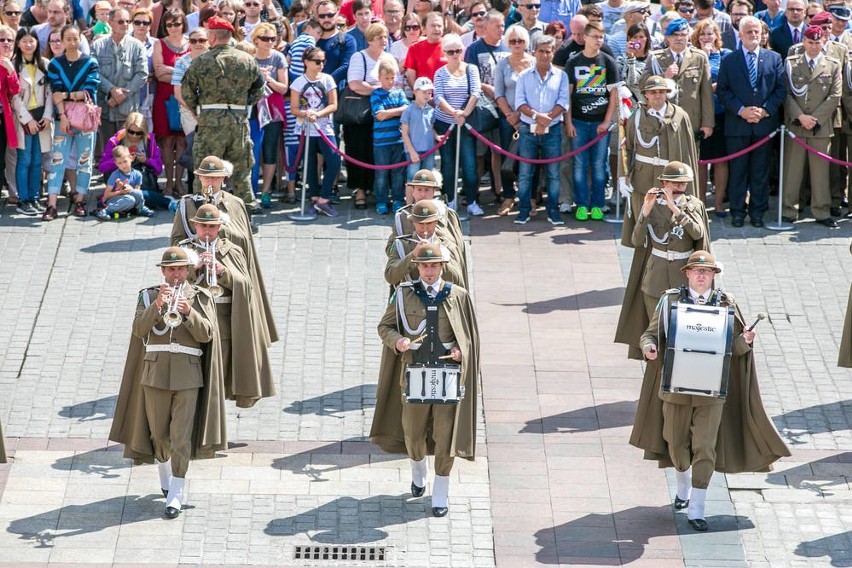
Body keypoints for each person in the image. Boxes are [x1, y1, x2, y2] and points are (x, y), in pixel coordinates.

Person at [629, 250, 790, 532]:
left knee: (705, 448)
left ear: (714, 276)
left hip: (712, 393)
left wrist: (746, 341)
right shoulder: (670, 301)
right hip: (676, 390)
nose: (702, 275)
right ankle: (683, 485)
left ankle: (697, 508)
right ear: (687, 274)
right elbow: (649, 335)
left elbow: (735, 349)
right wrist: (649, 348)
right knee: (676, 445)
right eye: (696, 271)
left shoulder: (726, 303)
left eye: (708, 272)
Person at [108, 246, 226, 520]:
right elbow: (139, 330)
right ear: (163, 271)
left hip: (188, 374)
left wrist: (188, 313)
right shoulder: (148, 296)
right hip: (155, 373)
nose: (176, 274)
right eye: (170, 269)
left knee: (180, 437)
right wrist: (158, 305)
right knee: (159, 435)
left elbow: (207, 335)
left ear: (188, 271)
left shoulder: (200, 296)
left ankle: (177, 491)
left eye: (180, 269)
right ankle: (165, 475)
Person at [371, 243, 480, 518]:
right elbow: (384, 327)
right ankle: (418, 469)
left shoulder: (458, 296)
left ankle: (441, 490)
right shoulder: (403, 294)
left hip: (447, 378)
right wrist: (399, 342)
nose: (429, 271)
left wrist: (459, 350)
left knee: (445, 436)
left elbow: (469, 337)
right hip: (414, 375)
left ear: (443, 266)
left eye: (434, 265)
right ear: (417, 267)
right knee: (413, 432)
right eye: (424, 266)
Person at [171, 155, 279, 347]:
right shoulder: (187, 205)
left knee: (234, 337)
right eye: (206, 177)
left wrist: (221, 228)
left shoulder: (236, 204)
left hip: (231, 275)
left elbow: (246, 244)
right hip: (199, 278)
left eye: (215, 177)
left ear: (224, 178)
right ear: (199, 178)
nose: (210, 181)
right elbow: (177, 243)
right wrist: (195, 258)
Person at [180, 203, 275, 407]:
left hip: (222, 323)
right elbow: (171, 281)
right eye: (203, 226)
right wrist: (193, 269)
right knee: (191, 375)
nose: (207, 231)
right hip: (192, 318)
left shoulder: (232, 250)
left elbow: (246, 284)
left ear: (219, 228)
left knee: (218, 378)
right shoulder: (183, 250)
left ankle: (215, 426)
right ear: (195, 226)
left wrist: (222, 271)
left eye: (212, 227)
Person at [615, 161, 710, 359]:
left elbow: (698, 233)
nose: (680, 188)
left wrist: (676, 210)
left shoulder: (693, 205)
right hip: (655, 276)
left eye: (684, 184)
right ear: (665, 183)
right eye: (676, 184)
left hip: (682, 277)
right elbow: (637, 239)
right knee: (654, 334)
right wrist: (646, 210)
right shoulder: (652, 205)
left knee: (680, 333)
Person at [181, 16, 265, 210]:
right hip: (238, 122)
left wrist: (199, 112)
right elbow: (259, 89)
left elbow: (187, 91)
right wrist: (243, 105)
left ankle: (205, 212)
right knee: (241, 170)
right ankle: (247, 213)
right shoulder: (247, 60)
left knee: (207, 171)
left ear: (212, 37)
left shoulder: (201, 62)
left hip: (210, 124)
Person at [716, 15, 786, 228]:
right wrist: (741, 110)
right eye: (749, 31)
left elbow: (780, 89)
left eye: (757, 31)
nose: (754, 35)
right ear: (740, 35)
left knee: (760, 172)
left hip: (764, 126)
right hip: (738, 126)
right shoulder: (730, 60)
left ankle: (758, 212)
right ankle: (737, 212)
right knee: (738, 171)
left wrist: (765, 111)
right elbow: (722, 90)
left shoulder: (774, 58)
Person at [619, 76, 698, 249]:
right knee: (643, 227)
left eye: (662, 92)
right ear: (645, 95)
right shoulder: (637, 117)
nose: (658, 96)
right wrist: (622, 176)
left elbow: (687, 154)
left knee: (670, 225)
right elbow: (627, 148)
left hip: (671, 183)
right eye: (653, 92)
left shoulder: (679, 116)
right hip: (643, 182)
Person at [781, 24, 842, 228]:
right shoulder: (791, 63)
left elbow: (835, 96)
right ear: (803, 42)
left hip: (820, 126)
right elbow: (786, 93)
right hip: (796, 124)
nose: (814, 46)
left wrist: (815, 118)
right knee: (792, 170)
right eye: (810, 42)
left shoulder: (832, 64)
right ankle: (789, 209)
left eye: (817, 42)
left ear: (823, 41)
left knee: (820, 172)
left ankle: (821, 210)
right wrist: (800, 116)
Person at [565, 21, 619, 222]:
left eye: (601, 37)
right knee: (579, 165)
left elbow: (614, 95)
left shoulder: (608, 62)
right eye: (595, 36)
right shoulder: (573, 62)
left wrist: (606, 122)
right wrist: (568, 122)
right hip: (578, 121)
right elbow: (568, 96)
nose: (599, 40)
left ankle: (597, 204)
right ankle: (581, 205)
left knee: (598, 164)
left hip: (599, 123)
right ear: (585, 37)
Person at [513, 34, 568, 226]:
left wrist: (548, 119)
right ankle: (524, 210)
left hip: (552, 129)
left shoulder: (562, 75)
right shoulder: (523, 76)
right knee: (525, 172)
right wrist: (538, 117)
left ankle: (553, 210)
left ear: (553, 53)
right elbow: (519, 102)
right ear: (534, 52)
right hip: (528, 128)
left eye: (549, 51)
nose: (545, 55)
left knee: (553, 172)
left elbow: (563, 102)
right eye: (541, 51)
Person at [45, 24, 98, 220]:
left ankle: (80, 199)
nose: (72, 42)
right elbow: (55, 91)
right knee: (58, 159)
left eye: (75, 38)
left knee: (85, 159)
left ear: (80, 40)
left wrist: (66, 96)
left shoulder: (90, 62)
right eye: (67, 38)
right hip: (63, 118)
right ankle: (51, 204)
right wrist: (63, 114)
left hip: (85, 118)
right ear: (62, 40)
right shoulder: (55, 64)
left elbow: (89, 91)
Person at [642, 17, 714, 150]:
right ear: (667, 38)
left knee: (689, 162)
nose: (679, 38)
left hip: (691, 121)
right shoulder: (655, 58)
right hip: (662, 119)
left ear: (689, 37)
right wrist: (664, 77)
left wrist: (707, 123)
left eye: (683, 35)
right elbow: (643, 85)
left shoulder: (699, 57)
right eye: (675, 35)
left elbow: (706, 93)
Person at [434, 32, 481, 219]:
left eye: (458, 51)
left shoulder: (471, 69)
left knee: (469, 164)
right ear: (445, 53)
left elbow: (476, 92)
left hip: (465, 124)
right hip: (445, 124)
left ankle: (471, 201)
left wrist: (464, 113)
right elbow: (438, 97)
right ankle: (450, 200)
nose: (455, 54)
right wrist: (454, 113)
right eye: (451, 51)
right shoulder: (440, 73)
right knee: (448, 164)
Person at [290, 45, 341, 217]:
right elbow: (294, 108)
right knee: (310, 164)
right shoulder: (298, 82)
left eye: (323, 61)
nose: (321, 64)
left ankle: (324, 199)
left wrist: (318, 114)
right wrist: (305, 113)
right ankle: (314, 198)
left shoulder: (328, 79)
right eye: (317, 61)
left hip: (325, 127)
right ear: (306, 62)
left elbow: (334, 104)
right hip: (305, 128)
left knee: (334, 161)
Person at [345, 22, 390, 213]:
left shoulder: (388, 58)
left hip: (383, 113)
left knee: (379, 152)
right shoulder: (359, 57)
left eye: (386, 36)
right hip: (361, 114)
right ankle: (360, 190)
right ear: (370, 39)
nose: (383, 40)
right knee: (358, 150)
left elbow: (394, 82)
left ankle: (378, 190)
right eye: (379, 37)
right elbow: (354, 84)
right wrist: (377, 90)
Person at [92, 8, 149, 147]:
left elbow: (142, 74)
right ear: (110, 22)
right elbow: (93, 73)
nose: (125, 25)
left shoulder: (137, 46)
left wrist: (122, 94)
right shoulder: (97, 46)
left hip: (128, 110)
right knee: (107, 152)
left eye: (128, 21)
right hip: (105, 107)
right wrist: (112, 90)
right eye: (121, 21)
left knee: (128, 152)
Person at [11, 26, 52, 216]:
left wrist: (46, 116)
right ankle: (23, 199)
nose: (28, 44)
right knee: (25, 159)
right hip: (24, 119)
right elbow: (14, 97)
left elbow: (51, 93)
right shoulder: (13, 65)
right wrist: (27, 120)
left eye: (32, 40)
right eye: (24, 41)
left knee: (37, 160)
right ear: (18, 44)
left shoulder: (44, 63)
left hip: (41, 117)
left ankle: (35, 198)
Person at [493, 24, 533, 216]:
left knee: (531, 157)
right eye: (513, 41)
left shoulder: (534, 62)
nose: (517, 44)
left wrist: (523, 114)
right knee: (507, 159)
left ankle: (531, 197)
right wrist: (510, 115)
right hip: (507, 119)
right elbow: (498, 93)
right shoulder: (502, 64)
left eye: (520, 40)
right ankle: (508, 196)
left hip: (530, 117)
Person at [385, 198, 468, 289]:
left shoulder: (449, 246)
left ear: (436, 222)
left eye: (429, 223)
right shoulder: (401, 245)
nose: (425, 228)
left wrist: (443, 262)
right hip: (411, 300)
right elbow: (390, 277)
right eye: (421, 223)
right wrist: (412, 255)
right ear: (413, 223)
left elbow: (459, 282)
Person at [691, 19, 729, 209]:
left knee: (721, 161)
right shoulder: (692, 56)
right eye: (703, 34)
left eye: (710, 33)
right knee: (700, 161)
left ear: (716, 36)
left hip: (721, 113)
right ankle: (701, 202)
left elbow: (728, 81)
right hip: (698, 116)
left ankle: (720, 202)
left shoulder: (725, 55)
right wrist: (703, 57)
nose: (707, 37)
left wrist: (713, 88)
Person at [249, 22, 288, 208]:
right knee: (252, 150)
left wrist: (269, 79)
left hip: (273, 110)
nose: (269, 42)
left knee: (270, 149)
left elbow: (283, 88)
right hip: (253, 110)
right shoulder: (249, 57)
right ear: (256, 40)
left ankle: (265, 191)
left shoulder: (278, 58)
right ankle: (250, 190)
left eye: (273, 39)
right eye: (265, 39)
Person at [99, 112, 170, 210]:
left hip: (143, 186)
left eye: (139, 133)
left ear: (144, 132)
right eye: (131, 132)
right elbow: (102, 167)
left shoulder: (149, 141)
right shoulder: (116, 140)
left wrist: (146, 160)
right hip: (119, 187)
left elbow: (158, 169)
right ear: (126, 128)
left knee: (142, 196)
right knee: (139, 198)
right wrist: (121, 160)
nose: (134, 136)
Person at [371, 57, 409, 213]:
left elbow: (407, 108)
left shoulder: (399, 92)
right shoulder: (376, 94)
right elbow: (379, 115)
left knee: (398, 173)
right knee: (381, 173)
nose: (390, 81)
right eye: (386, 78)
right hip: (381, 142)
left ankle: (398, 200)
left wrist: (389, 113)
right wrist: (396, 112)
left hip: (398, 140)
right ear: (380, 78)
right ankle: (381, 200)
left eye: (392, 77)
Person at [95, 145, 157, 219]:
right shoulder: (115, 175)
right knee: (130, 200)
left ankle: (140, 209)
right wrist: (120, 192)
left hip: (129, 199)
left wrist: (131, 190)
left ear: (131, 158)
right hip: (114, 200)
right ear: (116, 163)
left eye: (125, 161)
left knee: (138, 193)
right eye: (120, 163)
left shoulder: (137, 174)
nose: (123, 165)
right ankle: (105, 211)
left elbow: (137, 192)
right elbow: (106, 195)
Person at [401, 77, 437, 181]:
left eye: (429, 93)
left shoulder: (431, 110)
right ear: (415, 92)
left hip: (429, 150)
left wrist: (437, 137)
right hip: (414, 151)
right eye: (424, 92)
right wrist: (411, 151)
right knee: (412, 177)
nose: (427, 95)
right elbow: (404, 133)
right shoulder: (408, 111)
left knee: (427, 176)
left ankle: (425, 197)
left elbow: (431, 127)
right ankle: (410, 198)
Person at [403, 12, 446, 84]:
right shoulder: (414, 48)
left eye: (439, 26)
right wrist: (418, 93)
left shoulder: (451, 48)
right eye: (433, 26)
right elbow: (411, 77)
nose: (436, 29)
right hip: (423, 93)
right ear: (424, 28)